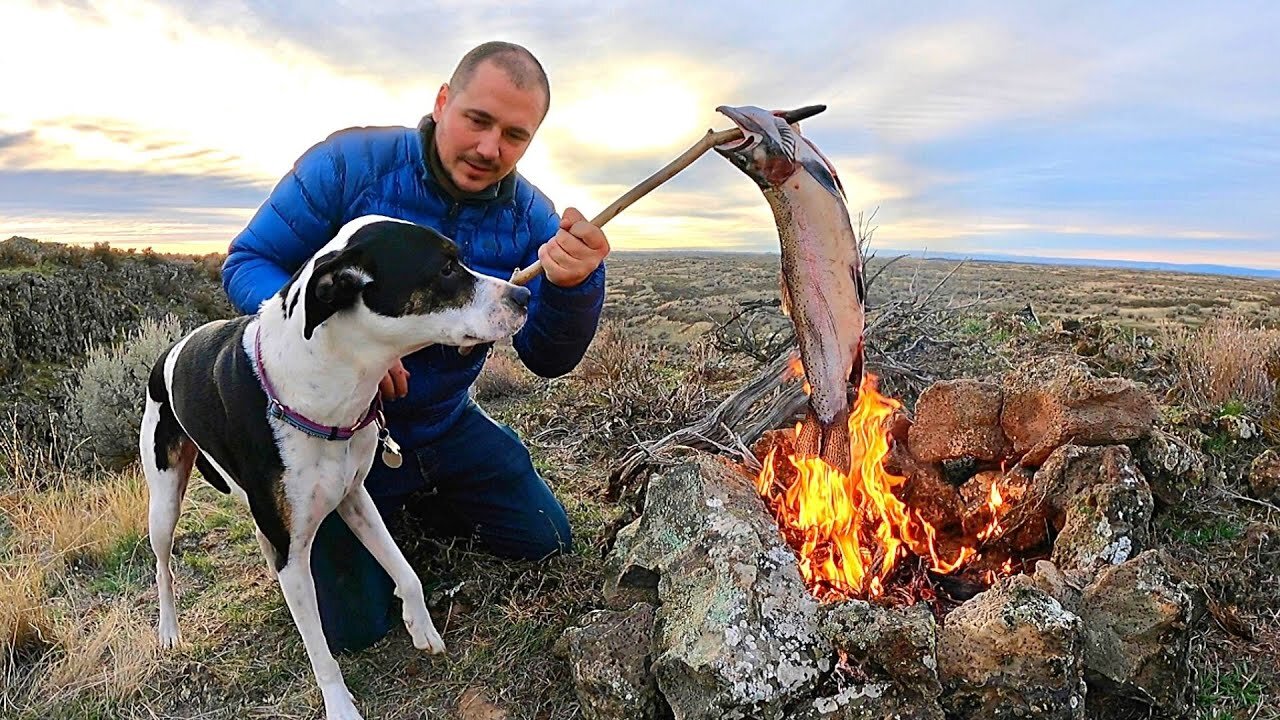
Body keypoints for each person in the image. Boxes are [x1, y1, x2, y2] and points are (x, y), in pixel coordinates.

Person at [220, 41, 609, 652]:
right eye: (477, 120)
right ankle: (355, 513)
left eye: (514, 135)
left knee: (546, 541)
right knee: (356, 631)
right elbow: (248, 263)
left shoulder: (533, 220)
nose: (489, 149)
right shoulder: (348, 165)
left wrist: (576, 286)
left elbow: (548, 358)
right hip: (330, 433)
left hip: (442, 424)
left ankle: (413, 497)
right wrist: (356, 348)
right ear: (443, 101)